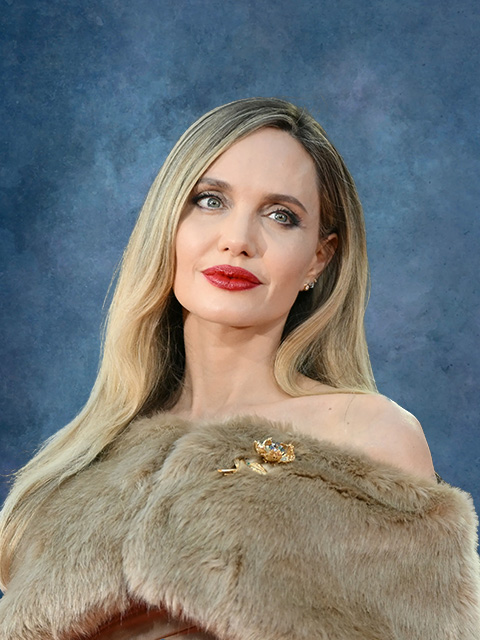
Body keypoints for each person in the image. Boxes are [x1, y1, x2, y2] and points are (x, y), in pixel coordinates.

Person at [0, 97, 478, 639]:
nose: (238, 240)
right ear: (168, 223)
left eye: (281, 216)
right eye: (210, 201)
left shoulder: (367, 435)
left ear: (319, 258)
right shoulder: (84, 461)